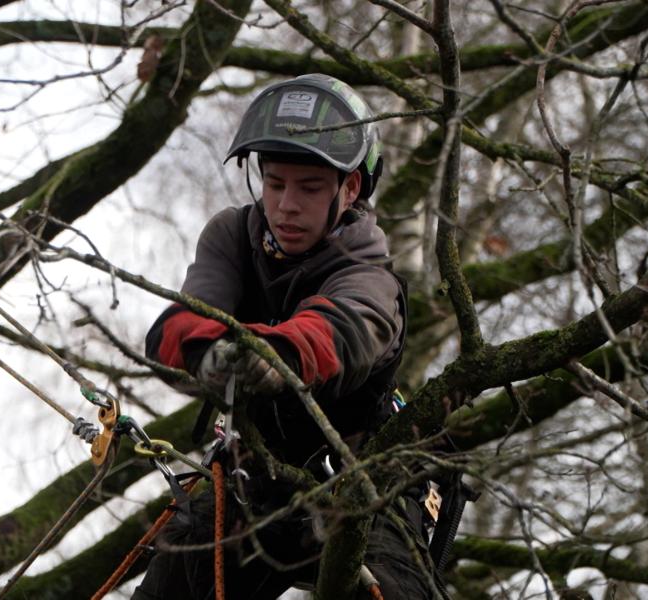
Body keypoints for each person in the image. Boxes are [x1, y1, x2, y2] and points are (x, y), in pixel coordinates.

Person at [134, 74, 439, 599]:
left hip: (369, 479)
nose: (286, 205)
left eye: (309, 187)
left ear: (350, 189)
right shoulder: (233, 235)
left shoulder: (371, 274)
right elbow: (180, 323)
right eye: (275, 183)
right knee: (174, 573)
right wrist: (207, 350)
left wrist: (271, 355)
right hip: (257, 476)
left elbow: (337, 330)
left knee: (390, 591)